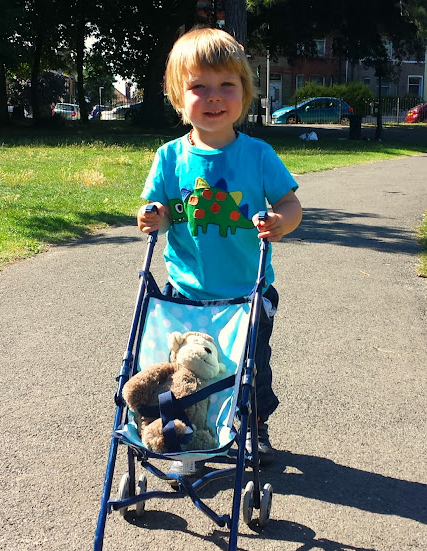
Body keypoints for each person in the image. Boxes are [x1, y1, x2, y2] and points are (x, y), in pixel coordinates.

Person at [137, 26, 302, 477]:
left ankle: (254, 424)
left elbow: (289, 202)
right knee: (185, 374)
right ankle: (185, 432)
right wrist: (154, 216)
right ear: (177, 97)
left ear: (245, 93)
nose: (214, 97)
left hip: (248, 292)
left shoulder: (258, 154)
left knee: (250, 370)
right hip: (185, 290)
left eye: (226, 85)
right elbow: (166, 211)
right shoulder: (170, 158)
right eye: (199, 87)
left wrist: (281, 222)